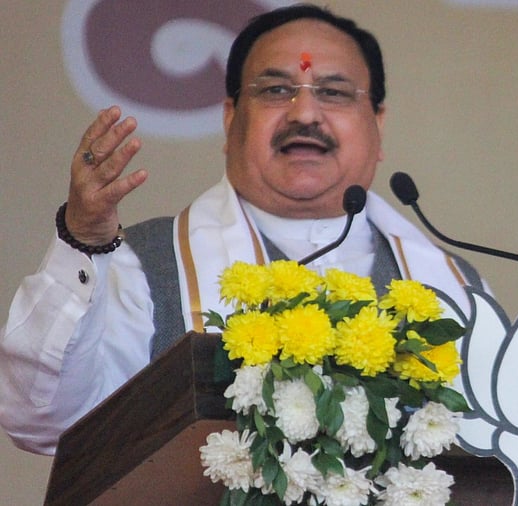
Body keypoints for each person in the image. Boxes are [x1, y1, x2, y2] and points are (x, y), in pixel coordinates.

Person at [0, 4, 484, 456]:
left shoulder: (451, 287)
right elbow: (41, 423)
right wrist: (81, 236)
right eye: (276, 90)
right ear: (231, 117)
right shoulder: (143, 263)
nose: (305, 113)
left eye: (334, 93)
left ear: (377, 122)